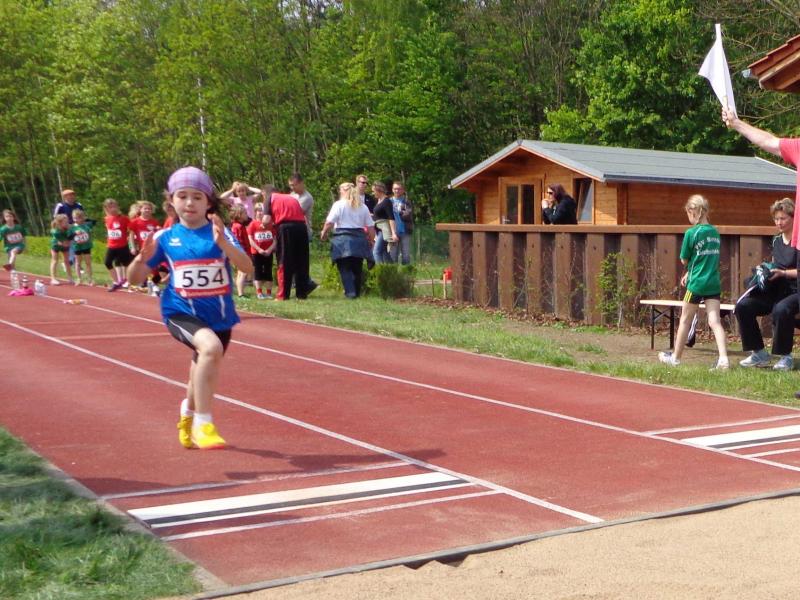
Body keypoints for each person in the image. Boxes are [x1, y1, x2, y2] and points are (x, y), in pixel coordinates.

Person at [127, 166, 253, 450]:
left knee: (200, 370)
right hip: (179, 311)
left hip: (219, 316)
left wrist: (224, 245)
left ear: (208, 202)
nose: (189, 203)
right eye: (182, 196)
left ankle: (187, 414)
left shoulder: (220, 232)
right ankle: (204, 424)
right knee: (210, 348)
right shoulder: (164, 238)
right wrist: (140, 260)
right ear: (171, 201)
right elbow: (134, 279)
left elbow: (247, 267)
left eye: (197, 197)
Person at [658, 195, 729, 370]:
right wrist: (691, 270)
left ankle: (675, 358)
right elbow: (705, 258)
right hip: (713, 282)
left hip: (696, 284)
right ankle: (723, 359)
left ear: (693, 211)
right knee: (714, 321)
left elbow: (684, 259)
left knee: (685, 320)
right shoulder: (714, 232)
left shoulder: (691, 233)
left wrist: (690, 270)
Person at [735, 198, 798, 371]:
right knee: (743, 306)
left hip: (796, 290)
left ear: (794, 218)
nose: (779, 222)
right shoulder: (777, 240)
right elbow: (776, 264)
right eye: (776, 219)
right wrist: (765, 270)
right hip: (776, 287)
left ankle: (785, 357)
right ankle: (759, 353)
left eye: (783, 218)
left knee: (781, 309)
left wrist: (784, 273)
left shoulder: (799, 240)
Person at [321, 182, 375, 298]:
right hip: (359, 239)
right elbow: (370, 226)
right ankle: (356, 293)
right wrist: (371, 240)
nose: (339, 192)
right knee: (357, 268)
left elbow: (330, 222)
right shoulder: (363, 206)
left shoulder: (338, 205)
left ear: (344, 191)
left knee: (344, 268)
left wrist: (324, 232)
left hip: (343, 239)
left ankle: (350, 293)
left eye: (340, 190)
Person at [264, 187, 312, 300]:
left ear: (265, 193)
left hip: (285, 228)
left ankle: (283, 295)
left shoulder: (269, 198)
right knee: (301, 261)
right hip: (301, 227)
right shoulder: (292, 198)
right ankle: (302, 294)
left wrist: (268, 227)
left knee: (284, 261)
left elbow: (266, 220)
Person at [246, 202, 276, 299]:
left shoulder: (270, 224)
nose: (260, 213)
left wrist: (269, 250)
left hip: (268, 252)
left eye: (262, 210)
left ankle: (269, 293)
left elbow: (275, 239)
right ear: (255, 212)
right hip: (256, 252)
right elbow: (250, 239)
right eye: (258, 210)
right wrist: (259, 249)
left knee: (268, 271)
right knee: (258, 272)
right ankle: (259, 292)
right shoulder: (252, 224)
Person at [102, 198, 133, 291]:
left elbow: (131, 230)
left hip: (122, 245)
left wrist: (130, 241)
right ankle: (116, 282)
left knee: (126, 263)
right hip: (111, 246)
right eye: (110, 207)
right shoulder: (106, 219)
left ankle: (126, 281)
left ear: (118, 207)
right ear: (106, 209)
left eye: (114, 206)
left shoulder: (124, 219)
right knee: (107, 262)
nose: (113, 209)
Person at [371, 182, 397, 264]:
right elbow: (379, 215)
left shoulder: (386, 201)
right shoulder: (379, 201)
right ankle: (392, 269)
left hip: (384, 230)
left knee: (376, 252)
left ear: (379, 190)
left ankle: (380, 270)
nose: (373, 193)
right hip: (378, 229)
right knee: (384, 252)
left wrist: (393, 233)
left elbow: (391, 217)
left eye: (374, 191)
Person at [229, 205, 251, 297]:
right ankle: (241, 294)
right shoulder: (237, 226)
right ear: (239, 215)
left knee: (240, 272)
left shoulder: (239, 226)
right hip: (241, 252)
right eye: (244, 213)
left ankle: (240, 292)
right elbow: (237, 241)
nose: (246, 214)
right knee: (243, 272)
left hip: (242, 251)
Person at [390, 181, 413, 265]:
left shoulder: (407, 201)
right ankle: (393, 272)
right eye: (395, 189)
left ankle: (406, 272)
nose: (397, 191)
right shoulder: (389, 201)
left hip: (405, 231)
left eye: (399, 189)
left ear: (403, 190)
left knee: (406, 255)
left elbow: (408, 214)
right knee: (393, 255)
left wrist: (400, 211)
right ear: (392, 190)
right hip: (393, 232)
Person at [69, 209, 94, 285]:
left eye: (78, 218)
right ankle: (79, 279)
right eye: (74, 218)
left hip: (86, 246)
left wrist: (85, 240)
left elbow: (89, 235)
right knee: (78, 263)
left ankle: (90, 279)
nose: (76, 220)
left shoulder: (86, 226)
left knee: (88, 263)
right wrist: (75, 233)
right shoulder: (72, 227)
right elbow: (69, 237)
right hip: (77, 247)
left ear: (82, 218)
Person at [49, 214, 74, 285]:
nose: (67, 223)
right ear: (59, 223)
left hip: (64, 244)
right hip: (56, 245)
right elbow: (66, 243)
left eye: (67, 222)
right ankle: (53, 279)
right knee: (54, 260)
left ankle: (70, 278)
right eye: (65, 222)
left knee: (67, 261)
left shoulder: (69, 228)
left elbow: (68, 242)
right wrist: (72, 237)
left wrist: (74, 232)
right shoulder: (56, 232)